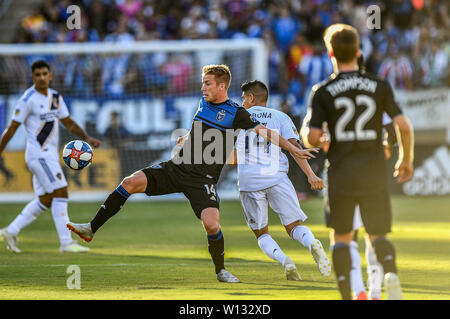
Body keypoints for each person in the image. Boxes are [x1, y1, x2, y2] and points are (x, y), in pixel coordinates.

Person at [66, 64, 318, 282]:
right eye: (203, 83)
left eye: (207, 84)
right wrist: (187, 137)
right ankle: (90, 228)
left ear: (222, 86)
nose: (203, 88)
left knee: (212, 224)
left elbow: (267, 133)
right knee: (130, 182)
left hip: (202, 180)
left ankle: (221, 271)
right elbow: (198, 126)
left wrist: (296, 150)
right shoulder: (203, 103)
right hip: (176, 168)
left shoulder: (236, 113)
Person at [301, 24, 414, 300]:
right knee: (378, 234)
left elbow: (313, 136)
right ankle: (392, 276)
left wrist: (313, 136)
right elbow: (404, 126)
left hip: (341, 170)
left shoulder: (324, 90)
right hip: (374, 168)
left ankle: (346, 295)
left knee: (342, 236)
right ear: (359, 51)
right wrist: (406, 160)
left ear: (330, 53)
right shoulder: (379, 85)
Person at [227, 80, 331, 281]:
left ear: (250, 97)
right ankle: (312, 243)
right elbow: (296, 149)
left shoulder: (236, 119)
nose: (241, 103)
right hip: (277, 178)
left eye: (243, 98)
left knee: (262, 234)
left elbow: (232, 161)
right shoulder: (281, 117)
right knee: (294, 226)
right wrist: (311, 175)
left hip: (249, 182)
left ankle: (286, 261)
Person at [0, 60, 101, 253]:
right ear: (32, 77)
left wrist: (87, 138)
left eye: (45, 74)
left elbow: (68, 122)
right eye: (37, 75)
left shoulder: (55, 97)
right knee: (61, 192)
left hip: (51, 155)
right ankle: (66, 243)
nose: (41, 77)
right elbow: (12, 128)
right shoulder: (27, 99)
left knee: (46, 199)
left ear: (50, 75)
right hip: (39, 155)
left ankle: (11, 231)